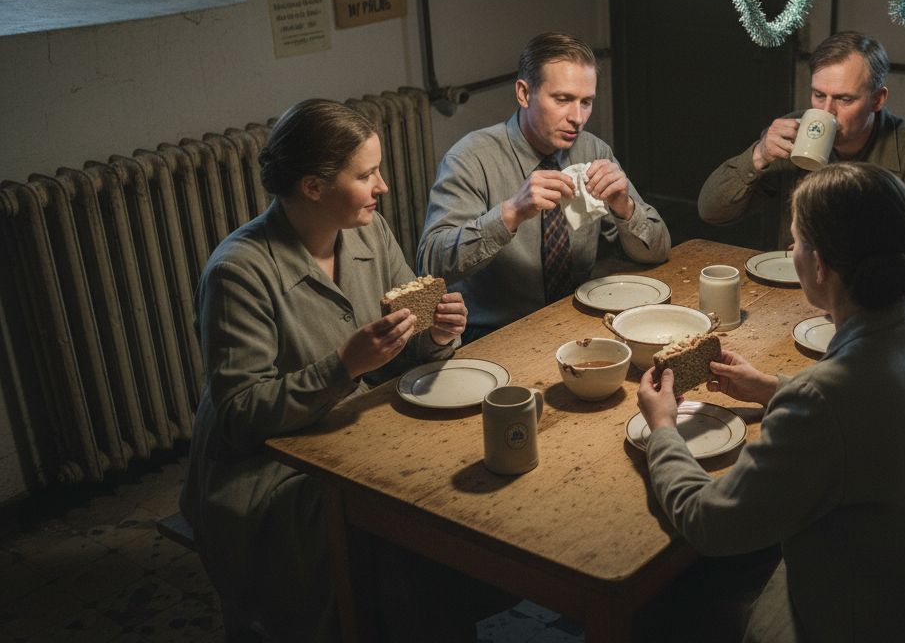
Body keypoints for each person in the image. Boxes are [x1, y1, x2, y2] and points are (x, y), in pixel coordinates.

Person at [638, 162, 905, 642]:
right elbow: (875, 412)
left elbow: (709, 522)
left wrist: (664, 429)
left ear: (819, 265)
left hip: (891, 625)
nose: (790, 251)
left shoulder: (825, 400)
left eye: (794, 241)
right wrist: (771, 387)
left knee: (666, 603)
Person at [180, 99, 500, 641]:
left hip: (350, 433)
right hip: (263, 473)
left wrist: (438, 335)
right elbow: (238, 416)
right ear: (312, 186)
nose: (384, 187)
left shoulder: (368, 232)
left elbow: (405, 340)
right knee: (400, 540)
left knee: (453, 495)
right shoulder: (239, 272)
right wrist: (344, 367)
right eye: (367, 174)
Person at [418, 32, 670, 340]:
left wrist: (625, 208)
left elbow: (658, 252)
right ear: (524, 94)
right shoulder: (470, 159)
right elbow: (430, 265)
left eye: (586, 102)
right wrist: (509, 214)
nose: (577, 118)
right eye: (563, 99)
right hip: (493, 334)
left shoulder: (593, 152)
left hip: (575, 321)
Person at [697, 31, 905, 277]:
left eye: (844, 99)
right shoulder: (793, 134)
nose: (827, 111)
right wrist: (758, 155)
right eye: (819, 95)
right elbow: (711, 211)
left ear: (877, 99)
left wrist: (850, 262)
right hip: (793, 287)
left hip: (871, 299)